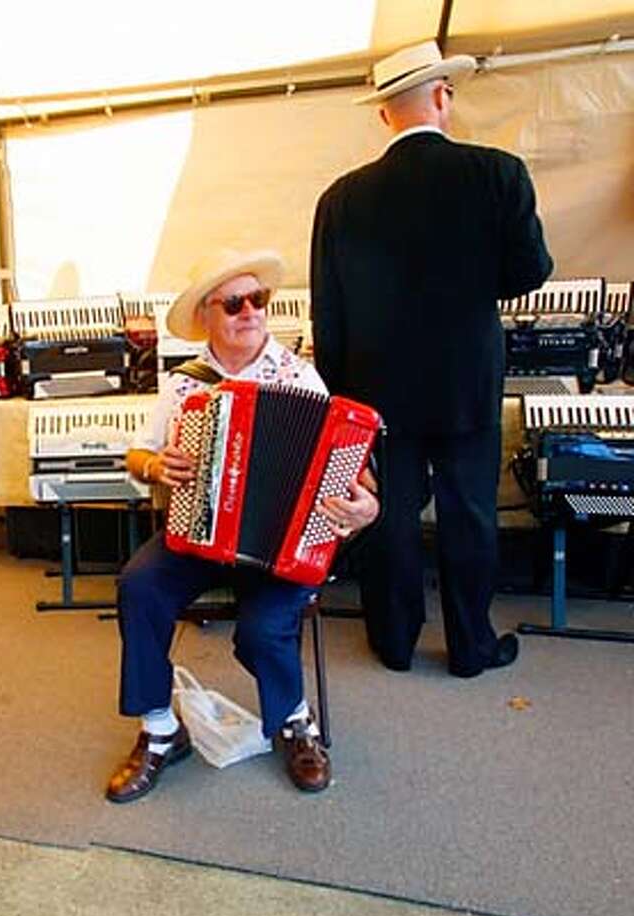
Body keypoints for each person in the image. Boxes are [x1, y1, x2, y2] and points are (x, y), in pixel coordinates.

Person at [310, 40, 554, 678]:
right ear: (443, 97)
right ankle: (471, 647)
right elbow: (531, 270)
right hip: (465, 380)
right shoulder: (499, 174)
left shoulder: (340, 198)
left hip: (375, 388)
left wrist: (339, 397)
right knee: (470, 513)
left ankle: (393, 641)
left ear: (383, 114)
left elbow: (327, 313)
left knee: (389, 515)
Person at [106, 248, 379, 802]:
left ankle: (295, 720)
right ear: (206, 315)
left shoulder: (299, 377)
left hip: (284, 543)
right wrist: (155, 466)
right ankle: (160, 730)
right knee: (139, 586)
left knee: (262, 628)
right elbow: (138, 453)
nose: (250, 311)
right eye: (234, 304)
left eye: (258, 299)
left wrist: (366, 507)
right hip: (198, 531)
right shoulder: (185, 384)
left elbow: (358, 473)